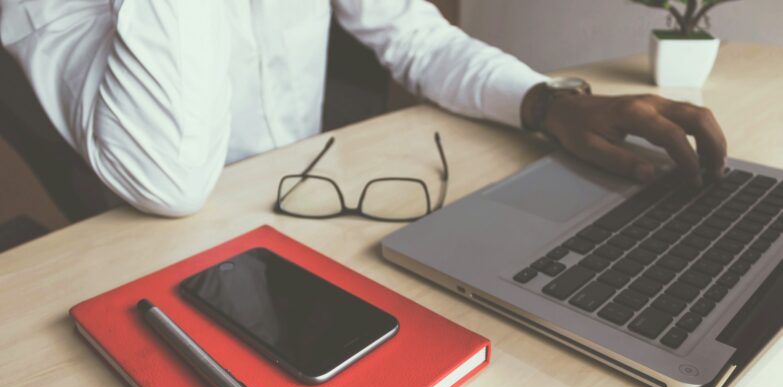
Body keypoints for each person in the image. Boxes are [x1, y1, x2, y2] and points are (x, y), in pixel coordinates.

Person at [0, 0, 726, 217]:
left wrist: (548, 103)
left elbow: (413, 35)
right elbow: (166, 179)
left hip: (302, 211)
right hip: (134, 252)